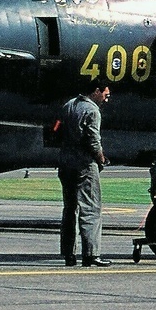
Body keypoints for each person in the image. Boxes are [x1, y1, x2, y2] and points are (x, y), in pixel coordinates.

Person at [58, 78, 111, 267]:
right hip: (84, 165)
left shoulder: (69, 105)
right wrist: (101, 159)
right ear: (96, 91)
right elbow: (93, 140)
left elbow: (57, 130)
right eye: (105, 94)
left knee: (69, 209)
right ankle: (91, 254)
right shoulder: (92, 110)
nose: (106, 99)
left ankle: (68, 254)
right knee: (91, 209)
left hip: (66, 163)